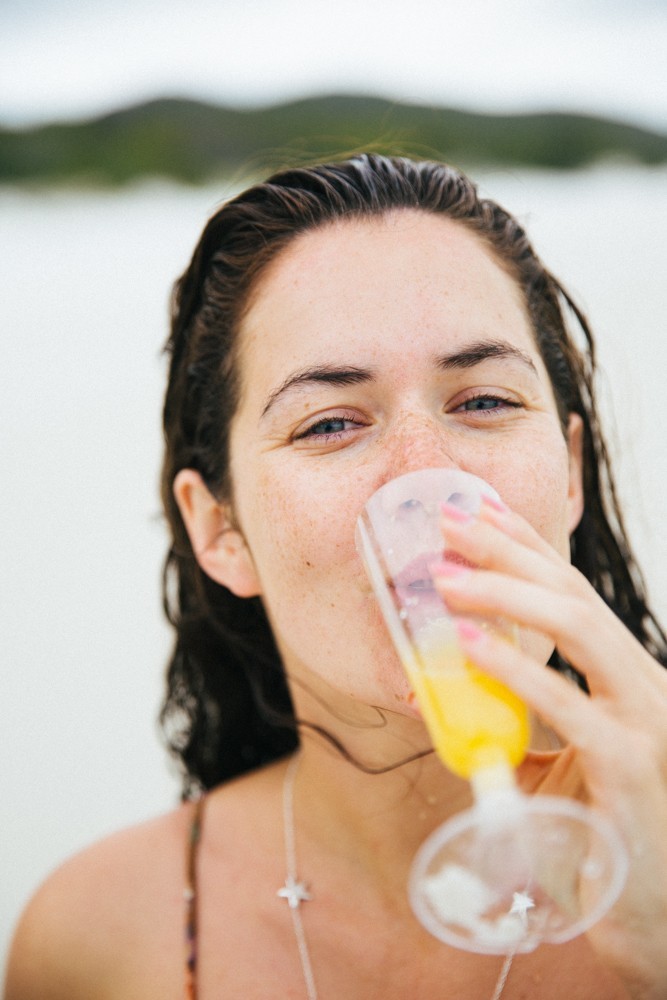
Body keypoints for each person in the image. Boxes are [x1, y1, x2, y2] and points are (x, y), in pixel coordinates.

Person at [5, 154, 667, 1000]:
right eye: (328, 423)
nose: (422, 478)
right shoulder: (93, 940)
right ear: (220, 529)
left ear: (569, 474)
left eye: (484, 402)